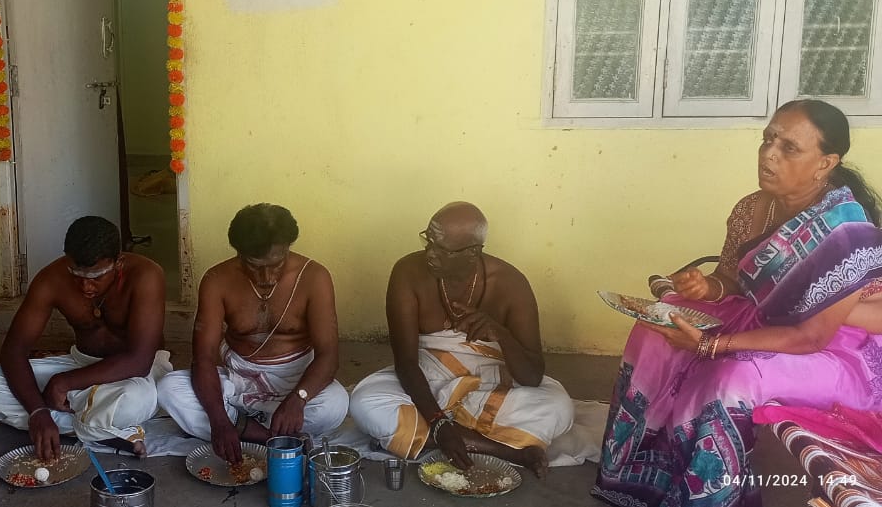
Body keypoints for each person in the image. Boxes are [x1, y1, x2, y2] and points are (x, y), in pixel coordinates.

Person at [593, 99, 882, 507]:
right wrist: (705, 288)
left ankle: (713, 495)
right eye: (768, 139)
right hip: (763, 319)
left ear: (825, 163)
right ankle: (637, 471)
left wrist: (711, 345)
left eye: (789, 148)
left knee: (731, 375)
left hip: (835, 349)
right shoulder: (753, 210)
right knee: (657, 326)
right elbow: (733, 280)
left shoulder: (846, 228)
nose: (769, 154)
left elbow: (812, 336)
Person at [348, 202, 573, 478]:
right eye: (428, 240)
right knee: (364, 401)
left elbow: (532, 376)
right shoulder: (407, 272)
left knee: (559, 406)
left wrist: (501, 334)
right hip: (427, 373)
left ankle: (425, 435)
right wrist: (439, 423)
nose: (430, 254)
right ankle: (508, 451)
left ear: (472, 252)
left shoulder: (511, 283)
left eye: (441, 249)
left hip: (490, 379)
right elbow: (406, 363)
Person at [157, 203, 348, 464]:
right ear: (239, 253)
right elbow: (203, 358)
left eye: (276, 265)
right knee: (169, 389)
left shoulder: (314, 277)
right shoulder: (217, 279)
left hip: (295, 378)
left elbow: (329, 356)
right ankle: (270, 435)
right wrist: (219, 420)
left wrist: (298, 399)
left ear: (288, 248)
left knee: (335, 403)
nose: (267, 277)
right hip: (238, 378)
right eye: (254, 266)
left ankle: (245, 428)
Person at [0, 216, 170, 459]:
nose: (86, 286)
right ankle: (99, 428)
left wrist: (63, 383)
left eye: (96, 277)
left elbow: (139, 361)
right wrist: (37, 412)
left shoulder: (146, 275)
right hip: (81, 363)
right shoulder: (51, 279)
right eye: (77, 274)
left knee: (134, 401)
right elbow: (13, 350)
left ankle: (81, 421)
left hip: (134, 375)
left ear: (118, 262)